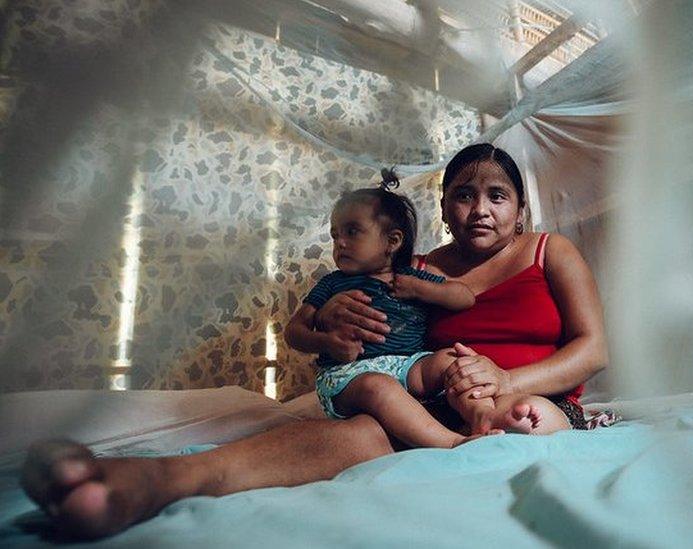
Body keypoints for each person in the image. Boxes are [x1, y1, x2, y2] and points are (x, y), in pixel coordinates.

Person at [19, 143, 608, 539]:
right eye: (463, 195)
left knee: (524, 420)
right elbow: (348, 340)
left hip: (533, 396)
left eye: (497, 196)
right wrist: (334, 325)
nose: (480, 209)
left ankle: (493, 439)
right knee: (355, 432)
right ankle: (148, 483)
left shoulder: (547, 251)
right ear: (445, 209)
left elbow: (592, 349)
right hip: (431, 403)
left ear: (520, 208)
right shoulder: (411, 269)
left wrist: (506, 379)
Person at [285, 181, 558, 448]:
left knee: (453, 359)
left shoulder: (411, 279)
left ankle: (481, 415)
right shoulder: (333, 284)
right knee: (379, 388)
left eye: (352, 232)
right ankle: (452, 442)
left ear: (392, 241)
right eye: (335, 235)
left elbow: (464, 298)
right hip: (351, 374)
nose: (340, 243)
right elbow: (294, 331)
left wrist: (424, 290)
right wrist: (327, 342)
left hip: (408, 365)